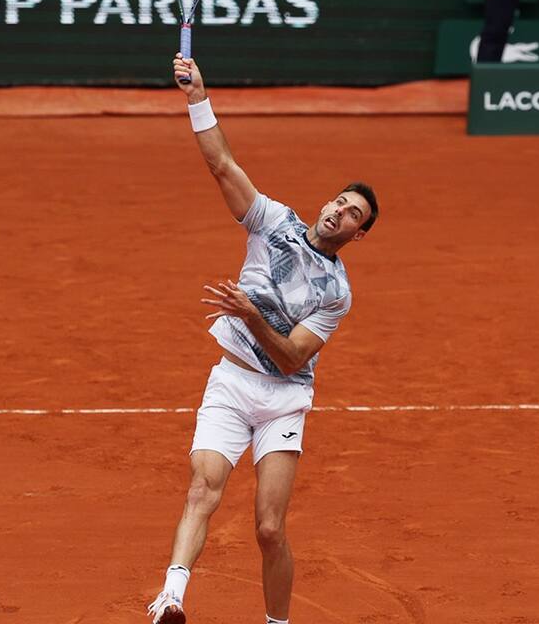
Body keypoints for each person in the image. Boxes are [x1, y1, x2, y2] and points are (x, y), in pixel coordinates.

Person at [147, 53, 378, 624]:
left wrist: (251, 314)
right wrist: (197, 96)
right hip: (231, 382)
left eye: (353, 215)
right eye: (340, 202)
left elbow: (294, 354)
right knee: (203, 488)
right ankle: (170, 598)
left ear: (359, 234)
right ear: (326, 204)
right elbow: (223, 165)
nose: (340, 214)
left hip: (283, 399)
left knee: (270, 529)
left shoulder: (336, 293)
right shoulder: (273, 220)